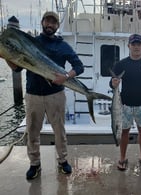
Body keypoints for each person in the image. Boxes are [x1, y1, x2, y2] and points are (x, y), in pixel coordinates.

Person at [6, 11, 84, 180]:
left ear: (57, 26)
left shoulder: (63, 46)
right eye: (47, 21)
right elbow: (17, 68)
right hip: (33, 95)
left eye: (53, 22)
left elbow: (79, 66)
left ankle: (63, 161)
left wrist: (66, 76)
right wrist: (6, 56)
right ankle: (35, 164)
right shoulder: (31, 42)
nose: (50, 25)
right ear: (42, 22)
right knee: (32, 131)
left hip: (56, 95)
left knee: (59, 131)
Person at [110, 34, 141, 171]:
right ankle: (122, 158)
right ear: (129, 46)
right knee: (124, 132)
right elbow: (112, 83)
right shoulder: (121, 64)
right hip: (125, 104)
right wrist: (114, 83)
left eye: (139, 44)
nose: (136, 47)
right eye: (134, 44)